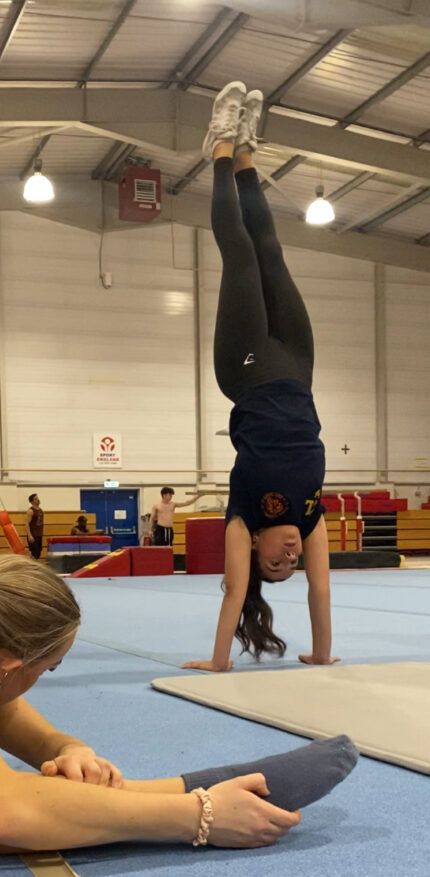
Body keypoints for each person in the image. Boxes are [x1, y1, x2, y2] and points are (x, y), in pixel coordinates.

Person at [0, 555, 358, 855]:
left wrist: (63, 747)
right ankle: (198, 790)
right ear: (8, 666)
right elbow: (4, 813)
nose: (42, 682)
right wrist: (198, 819)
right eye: (45, 670)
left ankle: (191, 787)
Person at [184, 83, 338, 674]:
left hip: (245, 371)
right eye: (289, 565)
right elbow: (321, 591)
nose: (291, 557)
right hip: (298, 370)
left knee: (241, 256)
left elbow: (232, 591)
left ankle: (219, 146)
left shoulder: (244, 516)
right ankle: (247, 153)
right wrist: (321, 654)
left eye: (276, 563)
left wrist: (220, 661)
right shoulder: (309, 515)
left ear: (255, 549)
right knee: (272, 250)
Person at [26, 493, 44, 559]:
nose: (38, 500)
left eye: (38, 498)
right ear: (32, 501)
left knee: (38, 553)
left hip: (39, 534)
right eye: (36, 499)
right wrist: (29, 535)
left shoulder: (40, 510)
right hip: (33, 535)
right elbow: (27, 523)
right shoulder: (30, 511)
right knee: (34, 553)